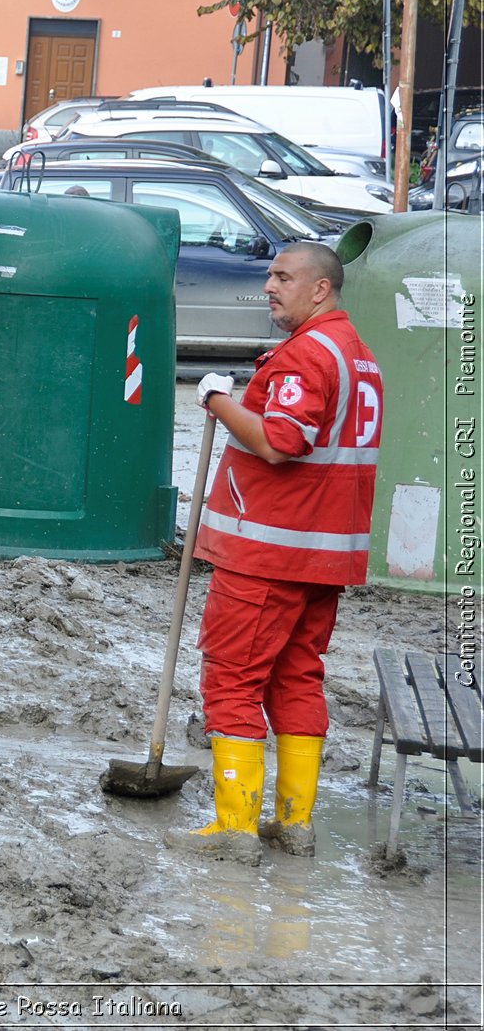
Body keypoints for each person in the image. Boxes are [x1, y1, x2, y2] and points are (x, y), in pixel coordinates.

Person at [168, 242, 382, 863]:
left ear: (321, 290)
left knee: (233, 677)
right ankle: (296, 823)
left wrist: (217, 400)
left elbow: (279, 442)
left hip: (269, 554)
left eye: (283, 277)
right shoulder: (361, 358)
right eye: (268, 276)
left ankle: (235, 828)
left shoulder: (307, 357)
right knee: (297, 676)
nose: (269, 287)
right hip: (324, 556)